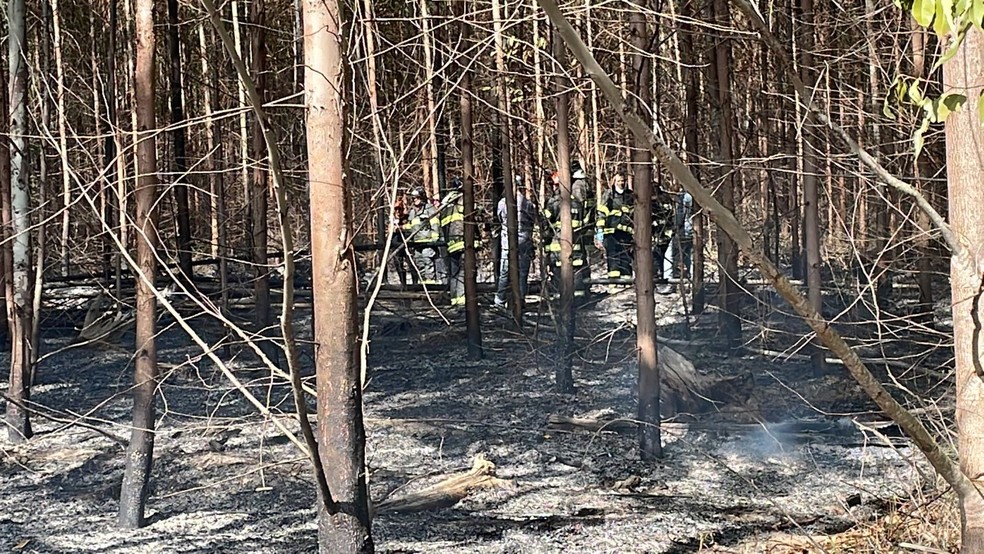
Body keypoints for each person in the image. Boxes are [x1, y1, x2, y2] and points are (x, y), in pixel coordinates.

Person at [543, 168, 590, 296]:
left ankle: (561, 300)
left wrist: (546, 247)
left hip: (558, 249)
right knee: (578, 274)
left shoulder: (553, 203)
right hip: (576, 247)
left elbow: (545, 226)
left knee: (559, 276)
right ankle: (580, 300)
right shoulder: (576, 202)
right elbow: (583, 223)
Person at [494, 176, 536, 308]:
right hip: (525, 241)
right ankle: (520, 299)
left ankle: (500, 300)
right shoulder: (528, 203)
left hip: (507, 243)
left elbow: (500, 218)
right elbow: (532, 220)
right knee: (523, 273)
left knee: (504, 273)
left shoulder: (502, 203)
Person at [439, 177, 476, 307]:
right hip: (463, 242)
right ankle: (462, 302)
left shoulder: (445, 203)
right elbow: (470, 218)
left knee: (454, 273)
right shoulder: (462, 200)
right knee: (463, 273)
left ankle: (454, 299)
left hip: (450, 244)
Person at [595, 172, 634, 281]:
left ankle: (626, 281)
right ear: (614, 182)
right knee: (613, 257)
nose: (621, 183)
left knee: (626, 257)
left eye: (623, 181)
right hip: (611, 232)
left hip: (626, 233)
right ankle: (614, 282)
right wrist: (600, 231)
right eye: (618, 181)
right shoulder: (609, 195)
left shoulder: (630, 195)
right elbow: (601, 212)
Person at [403, 186, 442, 285]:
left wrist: (434, 240)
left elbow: (435, 225)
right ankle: (422, 286)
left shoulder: (429, 209)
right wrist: (401, 228)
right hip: (417, 243)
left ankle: (431, 286)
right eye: (413, 198)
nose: (414, 200)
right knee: (420, 264)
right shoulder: (412, 212)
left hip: (428, 243)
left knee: (427, 262)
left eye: (416, 197)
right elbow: (411, 226)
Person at [652, 185, 675, 294]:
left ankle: (662, 280)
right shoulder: (666, 198)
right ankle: (660, 279)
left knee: (660, 258)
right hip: (661, 234)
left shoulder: (662, 199)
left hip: (662, 233)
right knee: (660, 258)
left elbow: (666, 215)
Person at [673, 188, 694, 279]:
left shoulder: (684, 197)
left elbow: (680, 214)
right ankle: (692, 274)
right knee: (689, 253)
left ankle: (671, 277)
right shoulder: (695, 196)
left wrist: (676, 226)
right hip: (692, 229)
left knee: (674, 254)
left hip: (684, 230)